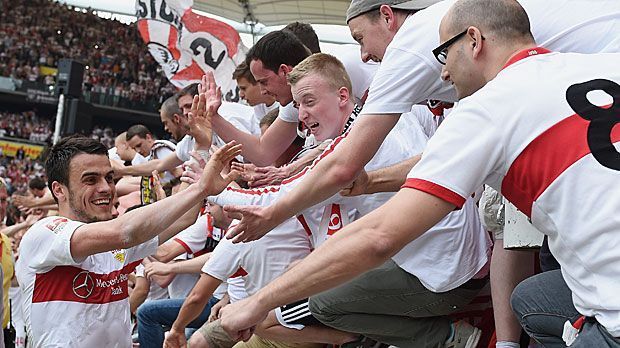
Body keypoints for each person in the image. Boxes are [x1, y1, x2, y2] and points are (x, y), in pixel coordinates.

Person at [219, 1, 620, 347]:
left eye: (444, 56)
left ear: (475, 41)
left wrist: (257, 302)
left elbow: (378, 236)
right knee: (531, 297)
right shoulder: (603, 61)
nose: (442, 75)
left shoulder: (485, 108)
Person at [15, 121, 243, 346]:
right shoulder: (44, 233)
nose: (105, 188)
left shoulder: (116, 242)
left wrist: (201, 147)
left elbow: (184, 218)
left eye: (109, 178)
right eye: (90, 180)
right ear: (58, 190)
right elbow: (124, 231)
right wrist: (201, 188)